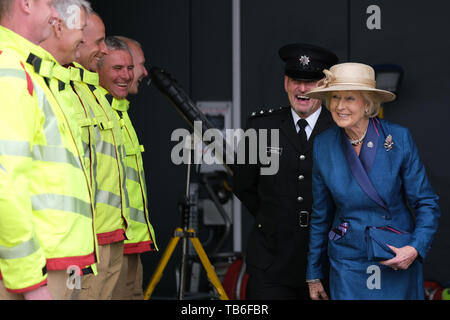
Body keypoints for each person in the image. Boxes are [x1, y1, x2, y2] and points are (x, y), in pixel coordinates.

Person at [304, 62, 441, 300]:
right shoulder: (323, 145)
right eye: (335, 97)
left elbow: (426, 202)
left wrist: (414, 248)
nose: (339, 106)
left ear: (367, 103)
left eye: (349, 99)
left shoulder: (398, 138)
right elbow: (320, 215)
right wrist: (314, 274)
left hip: (396, 255)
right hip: (348, 259)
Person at [0, 0, 98, 300]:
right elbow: (4, 183)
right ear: (26, 4)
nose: (55, 15)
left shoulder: (27, 70)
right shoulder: (9, 69)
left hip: (60, 262)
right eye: (49, 4)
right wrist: (32, 283)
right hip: (38, 270)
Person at [232, 43, 338, 299]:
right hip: (270, 261)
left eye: (311, 81)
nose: (302, 89)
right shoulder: (260, 126)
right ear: (285, 83)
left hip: (326, 263)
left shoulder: (339, 128)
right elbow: (243, 185)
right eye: (296, 81)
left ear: (324, 85)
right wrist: (274, 217)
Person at [67, 11, 132, 300]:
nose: (103, 50)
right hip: (83, 242)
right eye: (99, 41)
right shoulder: (64, 92)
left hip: (111, 234)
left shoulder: (96, 96)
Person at [111, 36, 157, 300]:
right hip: (111, 243)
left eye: (133, 67)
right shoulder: (104, 112)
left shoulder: (122, 113)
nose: (140, 73)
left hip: (130, 243)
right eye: (138, 65)